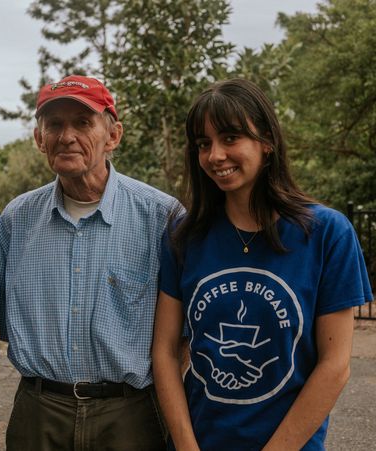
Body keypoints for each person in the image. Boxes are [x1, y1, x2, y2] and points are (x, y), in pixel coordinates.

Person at [152, 78, 373, 450]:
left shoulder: (326, 233)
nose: (215, 155)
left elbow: (335, 366)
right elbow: (165, 350)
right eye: (204, 144)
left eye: (230, 138)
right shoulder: (183, 235)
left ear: (266, 142)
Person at [0, 74, 178, 450]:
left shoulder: (161, 216)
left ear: (113, 136)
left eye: (82, 122)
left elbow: (181, 336)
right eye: (54, 124)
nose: (66, 136)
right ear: (38, 138)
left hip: (130, 415)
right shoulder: (16, 219)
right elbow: (5, 325)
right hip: (39, 412)